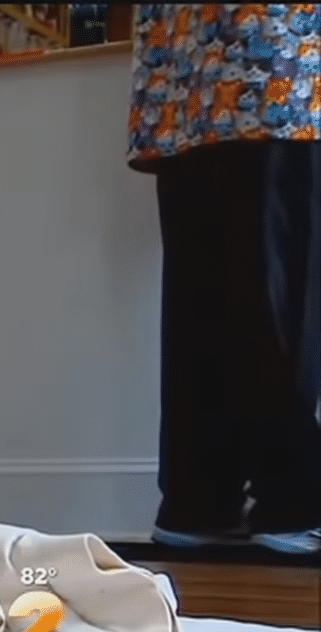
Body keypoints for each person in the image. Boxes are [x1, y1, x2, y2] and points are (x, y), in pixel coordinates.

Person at [128, 4, 320, 555]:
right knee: (281, 298)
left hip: (185, 79)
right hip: (281, 61)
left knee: (202, 305)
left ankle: (197, 501)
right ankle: (294, 501)